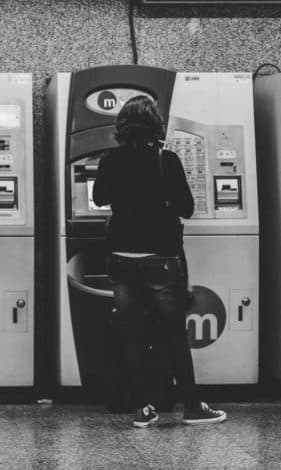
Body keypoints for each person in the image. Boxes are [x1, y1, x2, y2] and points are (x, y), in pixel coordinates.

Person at [93, 96, 227, 428]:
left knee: (133, 334)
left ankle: (144, 409)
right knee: (173, 335)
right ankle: (192, 406)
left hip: (121, 259)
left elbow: (98, 198)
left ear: (122, 127)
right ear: (155, 125)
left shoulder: (110, 160)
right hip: (159, 260)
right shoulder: (165, 159)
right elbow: (186, 207)